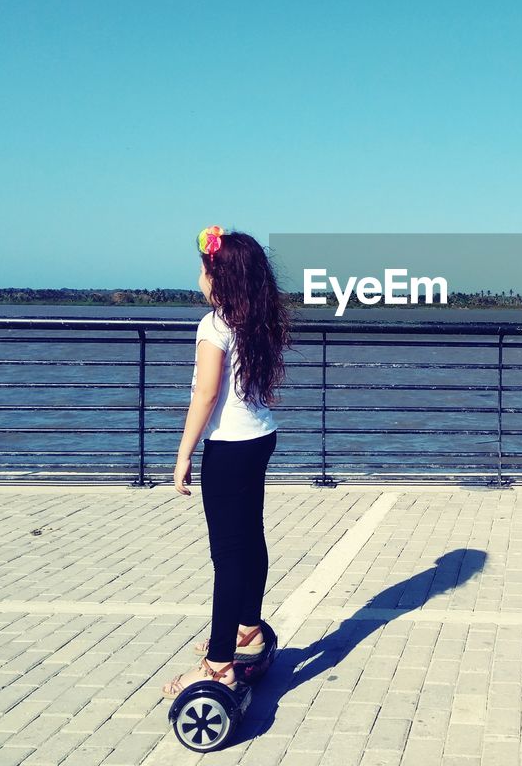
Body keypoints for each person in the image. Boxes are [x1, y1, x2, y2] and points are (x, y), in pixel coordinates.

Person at [162, 226, 291, 697]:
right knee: (250, 542)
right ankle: (247, 630)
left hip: (230, 448)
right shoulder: (256, 319)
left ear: (221, 276)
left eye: (204, 268)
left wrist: (183, 454)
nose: (199, 276)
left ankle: (219, 664)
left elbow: (206, 392)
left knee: (228, 557)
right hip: (260, 437)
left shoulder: (214, 325)